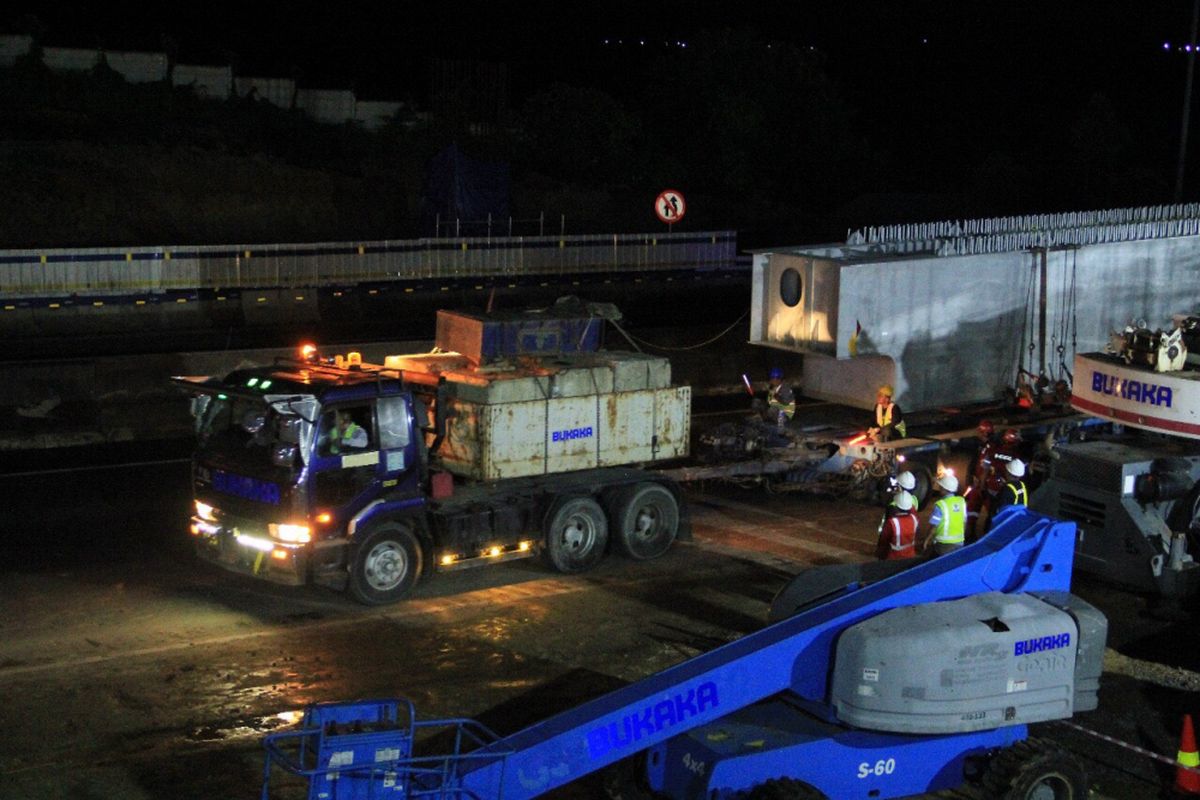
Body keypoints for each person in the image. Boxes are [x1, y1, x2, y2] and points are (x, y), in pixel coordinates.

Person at [923, 472, 967, 556]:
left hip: (943, 545)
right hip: (959, 543)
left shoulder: (941, 504)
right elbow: (964, 522)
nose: (939, 488)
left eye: (941, 487)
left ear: (944, 489)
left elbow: (934, 527)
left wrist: (926, 540)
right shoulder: (961, 502)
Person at [876, 490, 919, 560]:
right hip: (910, 554)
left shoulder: (892, 522)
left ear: (897, 507)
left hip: (895, 556)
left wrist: (880, 553)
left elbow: (884, 539)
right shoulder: (914, 519)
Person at [989, 458, 1029, 527]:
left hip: (1005, 522)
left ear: (1008, 472)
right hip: (1018, 519)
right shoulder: (1022, 485)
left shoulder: (1007, 489)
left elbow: (999, 506)